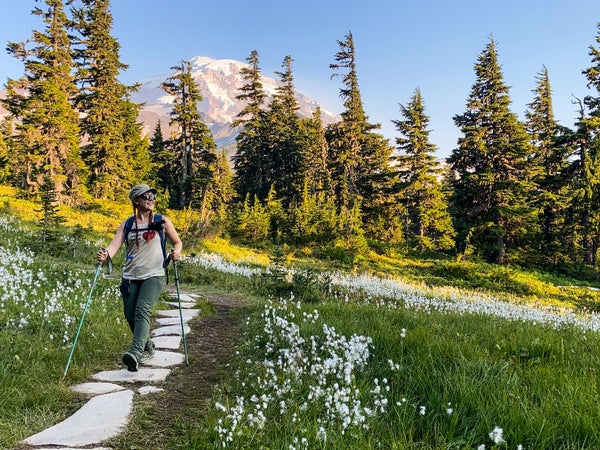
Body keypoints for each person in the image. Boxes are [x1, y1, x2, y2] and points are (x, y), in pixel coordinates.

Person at [96, 184, 182, 372]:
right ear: (136, 200)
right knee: (130, 315)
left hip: (154, 275)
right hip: (130, 276)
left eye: (153, 195)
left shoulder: (162, 221)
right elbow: (114, 246)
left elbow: (177, 242)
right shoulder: (127, 224)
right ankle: (147, 346)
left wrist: (176, 253)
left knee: (142, 311)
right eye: (146, 196)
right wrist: (106, 255)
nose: (151, 199)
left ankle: (135, 353)